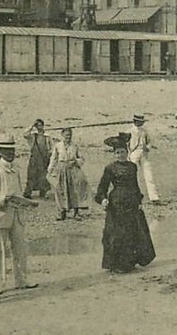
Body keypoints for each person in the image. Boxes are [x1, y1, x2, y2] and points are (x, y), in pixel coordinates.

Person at [94, 134, 157, 273]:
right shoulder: (110, 168)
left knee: (133, 232)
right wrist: (103, 199)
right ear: (114, 154)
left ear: (127, 152)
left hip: (131, 202)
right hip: (116, 204)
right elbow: (102, 187)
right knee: (116, 233)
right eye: (117, 153)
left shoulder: (132, 167)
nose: (120, 155)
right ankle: (116, 264)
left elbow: (135, 185)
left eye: (122, 152)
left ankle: (130, 262)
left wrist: (139, 200)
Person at [0, 135, 37, 295]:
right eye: (7, 150)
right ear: (0, 152)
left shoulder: (16, 169)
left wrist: (26, 203)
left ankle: (22, 280)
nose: (10, 153)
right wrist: (3, 199)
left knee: (20, 249)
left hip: (17, 214)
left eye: (12, 150)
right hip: (1, 215)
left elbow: (19, 192)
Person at [47, 127, 90, 221]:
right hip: (61, 169)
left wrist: (75, 161)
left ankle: (76, 212)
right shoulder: (58, 146)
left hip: (73, 169)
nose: (68, 137)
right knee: (60, 190)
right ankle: (62, 212)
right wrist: (50, 169)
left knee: (75, 189)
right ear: (62, 135)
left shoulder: (74, 146)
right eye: (66, 135)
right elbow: (54, 159)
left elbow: (82, 158)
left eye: (70, 135)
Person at [128, 113, 160, 203]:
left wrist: (148, 147)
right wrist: (129, 154)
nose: (142, 123)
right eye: (140, 121)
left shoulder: (144, 131)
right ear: (135, 121)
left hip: (144, 153)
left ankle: (154, 197)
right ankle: (132, 196)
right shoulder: (129, 131)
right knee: (132, 175)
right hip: (134, 153)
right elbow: (126, 144)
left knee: (149, 175)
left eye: (142, 122)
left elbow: (149, 141)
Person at [23, 119, 52, 200]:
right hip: (34, 159)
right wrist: (32, 125)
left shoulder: (47, 136)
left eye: (40, 125)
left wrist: (49, 156)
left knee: (44, 176)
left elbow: (51, 147)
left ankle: (43, 192)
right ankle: (27, 193)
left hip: (44, 158)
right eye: (37, 125)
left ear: (43, 126)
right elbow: (25, 134)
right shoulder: (33, 136)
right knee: (32, 175)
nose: (39, 127)